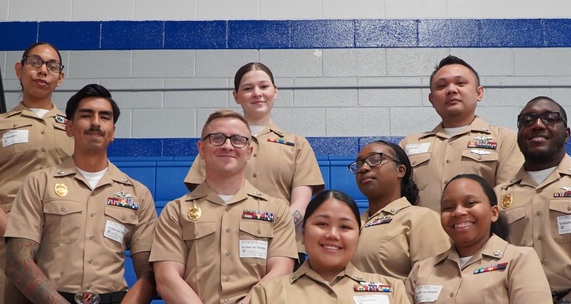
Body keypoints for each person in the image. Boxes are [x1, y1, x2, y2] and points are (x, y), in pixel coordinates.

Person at [4, 84, 157, 304]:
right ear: (69, 127)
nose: (95, 122)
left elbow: (149, 271)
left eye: (105, 117)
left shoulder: (137, 194)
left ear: (113, 132)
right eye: (86, 115)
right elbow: (18, 260)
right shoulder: (39, 183)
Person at [184, 62, 324, 267]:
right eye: (248, 88)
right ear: (236, 96)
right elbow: (201, 197)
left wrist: (272, 229)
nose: (257, 93)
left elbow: (300, 205)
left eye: (264, 86)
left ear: (275, 92)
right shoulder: (217, 143)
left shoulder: (296, 144)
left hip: (282, 247)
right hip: (223, 247)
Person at [150, 109, 297, 304]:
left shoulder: (276, 210)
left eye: (237, 139)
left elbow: (281, 273)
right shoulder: (176, 211)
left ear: (249, 152)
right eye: (217, 138)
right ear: (201, 149)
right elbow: (167, 279)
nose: (228, 146)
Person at [0, 42, 74, 303]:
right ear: (19, 69)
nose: (43, 71)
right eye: (35, 62)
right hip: (2, 241)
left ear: (60, 78)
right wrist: (15, 234)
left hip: (60, 243)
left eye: (52, 66)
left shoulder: (75, 128)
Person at [495, 96, 571, 304]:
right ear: (519, 135)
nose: (537, 125)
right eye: (527, 120)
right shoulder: (498, 196)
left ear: (566, 135)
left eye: (550, 118)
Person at [399, 55, 523, 212]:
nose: (451, 90)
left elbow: (509, 199)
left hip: (483, 235)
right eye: (441, 86)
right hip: (423, 236)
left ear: (479, 93)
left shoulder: (504, 139)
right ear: (431, 99)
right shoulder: (409, 144)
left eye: (460, 83)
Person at [407, 174, 552, 304]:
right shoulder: (422, 270)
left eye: (470, 203)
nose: (458, 212)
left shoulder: (518, 260)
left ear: (493, 213)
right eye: (448, 207)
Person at [250, 190, 410, 304]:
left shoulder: (392, 290)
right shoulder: (267, 293)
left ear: (359, 237)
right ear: (303, 234)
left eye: (345, 227)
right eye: (322, 224)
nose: (333, 234)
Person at [349, 140, 450, 281]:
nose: (363, 168)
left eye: (375, 160)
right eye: (359, 164)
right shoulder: (352, 224)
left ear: (400, 171)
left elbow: (435, 283)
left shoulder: (420, 218)